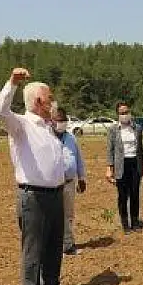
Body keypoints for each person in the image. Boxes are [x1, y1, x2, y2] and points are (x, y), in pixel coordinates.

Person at [0, 68, 73, 285]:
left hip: (55, 195)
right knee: (34, 249)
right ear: (39, 102)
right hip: (33, 197)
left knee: (53, 245)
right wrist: (12, 83)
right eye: (50, 98)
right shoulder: (21, 125)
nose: (53, 102)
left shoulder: (49, 128)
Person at [106, 102, 143, 234]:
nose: (125, 115)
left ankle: (135, 222)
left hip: (135, 163)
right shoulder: (113, 129)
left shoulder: (137, 128)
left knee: (135, 193)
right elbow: (110, 150)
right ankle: (125, 224)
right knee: (123, 196)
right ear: (118, 115)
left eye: (127, 112)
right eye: (122, 113)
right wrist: (109, 168)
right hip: (121, 164)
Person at [53, 106, 87, 256]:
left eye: (64, 120)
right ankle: (56, 245)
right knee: (55, 215)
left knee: (69, 214)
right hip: (53, 184)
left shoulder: (71, 138)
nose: (62, 123)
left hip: (69, 182)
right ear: (52, 121)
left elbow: (78, 158)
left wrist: (82, 177)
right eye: (59, 120)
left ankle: (68, 243)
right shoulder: (48, 138)